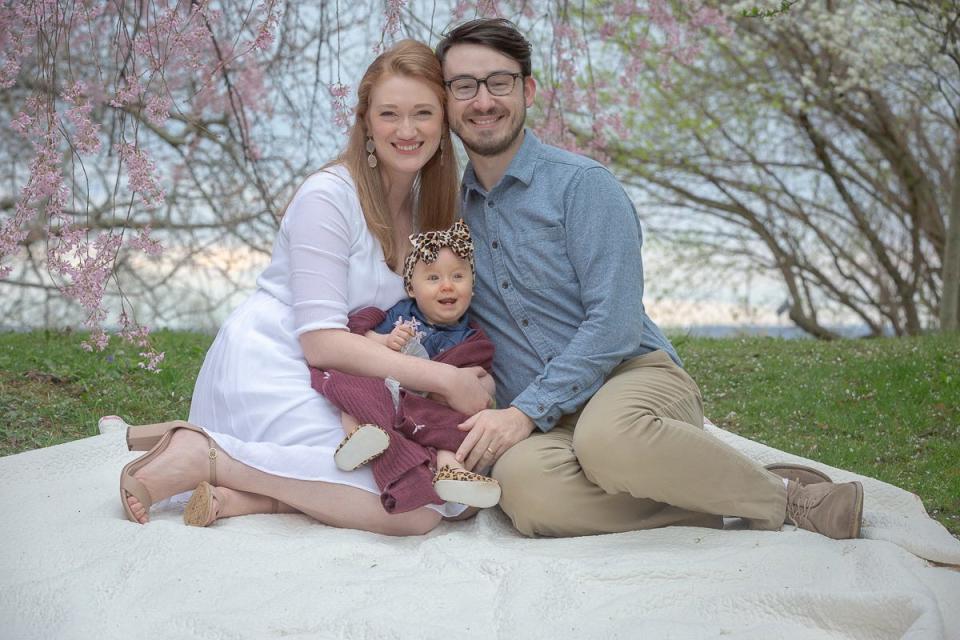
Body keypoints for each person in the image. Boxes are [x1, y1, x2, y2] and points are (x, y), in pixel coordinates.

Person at [434, 18, 864, 539]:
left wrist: (524, 411)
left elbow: (613, 325)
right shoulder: (449, 217)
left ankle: (793, 498)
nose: (483, 101)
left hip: (632, 378)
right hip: (553, 420)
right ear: (448, 100)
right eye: (464, 86)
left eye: (498, 82)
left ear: (527, 89)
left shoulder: (583, 187)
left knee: (608, 440)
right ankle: (705, 493)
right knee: (526, 494)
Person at [118, 39, 493, 535]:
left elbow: (432, 320)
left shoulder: (430, 214)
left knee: (447, 492)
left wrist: (472, 377)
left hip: (362, 381)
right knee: (413, 508)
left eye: (423, 113)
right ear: (365, 123)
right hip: (281, 360)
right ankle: (205, 455)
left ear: (442, 127)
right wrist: (444, 381)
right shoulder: (329, 197)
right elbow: (320, 341)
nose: (407, 130)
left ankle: (243, 499)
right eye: (389, 114)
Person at [310, 219, 501, 514]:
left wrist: (478, 388)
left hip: (430, 406)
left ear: (472, 289)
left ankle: (451, 471)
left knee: (456, 420)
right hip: (392, 390)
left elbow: (482, 376)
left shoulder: (471, 336)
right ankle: (359, 436)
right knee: (353, 388)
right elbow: (359, 337)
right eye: (433, 278)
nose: (447, 285)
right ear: (411, 288)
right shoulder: (400, 316)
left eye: (458, 276)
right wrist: (386, 340)